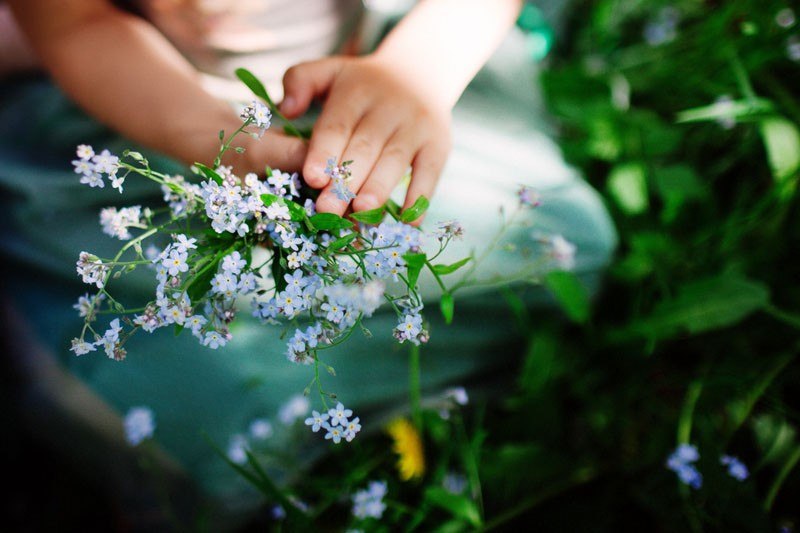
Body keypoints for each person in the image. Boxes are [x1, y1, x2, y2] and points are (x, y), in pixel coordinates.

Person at [1, 0, 616, 528]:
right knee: (163, 356)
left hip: (383, 70)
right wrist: (225, 144)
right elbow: (74, 22)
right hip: (166, 113)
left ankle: (278, 380)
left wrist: (415, 74)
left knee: (564, 250)